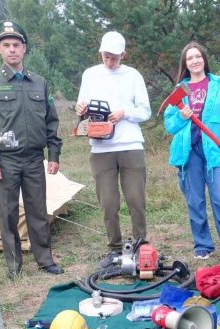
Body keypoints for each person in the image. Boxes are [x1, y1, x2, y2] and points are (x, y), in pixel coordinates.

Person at [0, 21, 64, 279]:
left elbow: (51, 121)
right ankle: (14, 266)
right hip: (5, 161)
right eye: (6, 45)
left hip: (34, 158)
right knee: (8, 213)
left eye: (16, 45)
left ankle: (45, 260)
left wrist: (54, 154)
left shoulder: (39, 83)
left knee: (38, 211)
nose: (12, 50)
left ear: (24, 48)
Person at [163, 42, 220, 260]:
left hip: (216, 151)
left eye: (198, 56)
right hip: (189, 152)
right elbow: (169, 125)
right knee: (195, 200)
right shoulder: (180, 90)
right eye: (189, 58)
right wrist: (180, 116)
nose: (194, 61)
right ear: (185, 63)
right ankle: (203, 245)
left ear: (204, 59)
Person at [76, 31, 151, 268]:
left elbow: (145, 111)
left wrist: (124, 112)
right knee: (108, 202)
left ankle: (140, 245)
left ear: (123, 55)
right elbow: (83, 110)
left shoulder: (133, 76)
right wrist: (81, 109)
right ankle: (114, 247)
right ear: (101, 52)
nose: (110, 62)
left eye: (115, 58)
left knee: (135, 199)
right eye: (106, 56)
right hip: (101, 148)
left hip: (130, 145)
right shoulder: (90, 75)